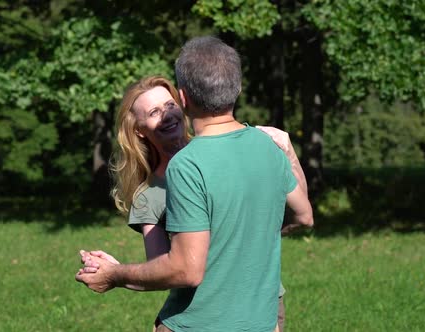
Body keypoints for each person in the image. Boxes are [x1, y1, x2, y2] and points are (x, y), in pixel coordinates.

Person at [76, 36, 313, 332]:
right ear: (138, 131)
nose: (166, 115)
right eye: (153, 112)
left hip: (233, 318)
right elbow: (170, 268)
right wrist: (116, 272)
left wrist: (243, 237)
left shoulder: (195, 162)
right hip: (234, 319)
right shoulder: (258, 146)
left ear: (183, 100)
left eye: (169, 104)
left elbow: (187, 268)